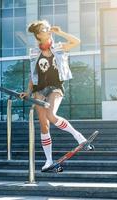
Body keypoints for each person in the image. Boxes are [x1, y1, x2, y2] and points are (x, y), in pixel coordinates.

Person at [20, 20, 93, 172]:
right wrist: (28, 92)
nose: (48, 29)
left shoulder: (59, 47)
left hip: (55, 87)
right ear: (39, 35)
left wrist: (60, 32)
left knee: (52, 115)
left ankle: (79, 137)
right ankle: (48, 161)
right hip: (39, 89)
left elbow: (76, 42)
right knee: (43, 124)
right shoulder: (34, 52)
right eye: (44, 29)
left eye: (47, 27)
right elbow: (32, 74)